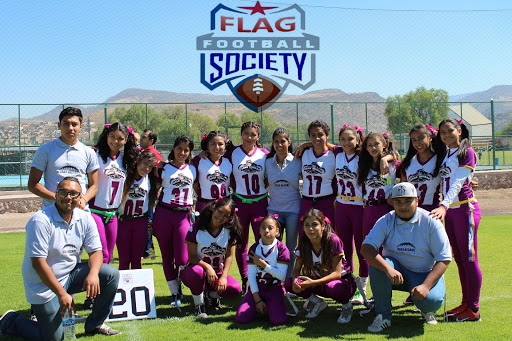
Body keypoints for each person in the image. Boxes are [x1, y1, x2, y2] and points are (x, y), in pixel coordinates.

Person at [0, 177, 120, 340]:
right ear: (56, 195)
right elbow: (38, 263)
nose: (68, 197)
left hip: (68, 275)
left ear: (80, 197)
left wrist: (93, 273)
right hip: (42, 285)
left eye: (73, 193)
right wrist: (62, 294)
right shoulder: (40, 220)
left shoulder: (84, 217)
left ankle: (95, 324)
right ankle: (11, 321)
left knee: (110, 274)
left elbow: (96, 251)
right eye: (63, 192)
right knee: (55, 338)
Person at [361, 182, 451, 332]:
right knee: (378, 267)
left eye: (408, 201)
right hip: (395, 272)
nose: (403, 206)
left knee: (431, 301)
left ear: (417, 200)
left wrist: (426, 286)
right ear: (392, 202)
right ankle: (383, 316)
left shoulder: (430, 221)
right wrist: (388, 269)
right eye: (398, 201)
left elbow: (444, 258)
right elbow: (366, 248)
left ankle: (427, 309)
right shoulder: (386, 220)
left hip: (423, 273)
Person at [430, 118, 482, 322]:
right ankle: (465, 303)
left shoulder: (466, 151)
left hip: (464, 209)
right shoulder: (446, 153)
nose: (446, 135)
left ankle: (474, 309)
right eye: (442, 132)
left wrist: (443, 204)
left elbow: (458, 182)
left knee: (469, 259)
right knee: (459, 260)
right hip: (451, 211)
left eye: (450, 131)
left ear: (459, 131)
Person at [284, 209, 356, 324]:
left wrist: (313, 283)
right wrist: (294, 281)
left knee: (333, 287)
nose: (310, 229)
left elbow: (337, 274)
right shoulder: (304, 243)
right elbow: (296, 269)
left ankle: (347, 307)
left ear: (323, 225)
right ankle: (318, 303)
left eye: (314, 224)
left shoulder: (333, 240)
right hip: (319, 282)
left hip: (342, 284)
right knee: (288, 283)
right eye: (306, 225)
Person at [223, 122, 269, 294]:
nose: (249, 137)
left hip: (260, 202)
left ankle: (261, 277)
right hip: (240, 202)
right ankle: (246, 280)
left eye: (253, 134)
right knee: (241, 244)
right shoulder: (232, 154)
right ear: (241, 134)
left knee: (262, 242)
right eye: (246, 134)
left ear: (258, 136)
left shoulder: (264, 154)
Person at [152, 135, 196, 306]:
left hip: (183, 215)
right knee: (167, 256)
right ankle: (174, 292)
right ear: (173, 149)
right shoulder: (163, 168)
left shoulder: (193, 169)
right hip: (164, 213)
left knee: (182, 258)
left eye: (186, 150)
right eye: (179, 148)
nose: (182, 152)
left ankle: (185, 287)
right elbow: (153, 190)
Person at [181, 197, 243, 318]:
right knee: (197, 272)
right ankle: (199, 305)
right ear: (213, 208)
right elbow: (192, 257)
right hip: (196, 273)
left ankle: (212, 295)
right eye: (219, 212)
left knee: (235, 289)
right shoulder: (197, 228)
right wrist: (207, 267)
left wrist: (224, 277)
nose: (221, 217)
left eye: (226, 215)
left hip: (217, 274)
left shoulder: (229, 231)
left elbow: (229, 256)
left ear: (230, 217)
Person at [28, 107, 99, 209]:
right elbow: (32, 184)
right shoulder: (45, 150)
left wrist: (83, 200)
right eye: (66, 123)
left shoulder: (89, 152)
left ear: (81, 127)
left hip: (79, 213)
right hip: (52, 212)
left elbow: (94, 186)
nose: (70, 128)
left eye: (74, 124)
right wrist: (57, 198)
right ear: (59, 125)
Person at [356, 132, 399, 299]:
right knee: (371, 250)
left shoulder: (393, 164)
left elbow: (392, 182)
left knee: (387, 251)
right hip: (369, 210)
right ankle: (374, 292)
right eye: (369, 145)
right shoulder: (364, 164)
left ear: (384, 144)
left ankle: (384, 291)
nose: (373, 148)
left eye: (376, 144)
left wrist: (386, 158)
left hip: (385, 209)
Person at [89, 123, 138, 264]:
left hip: (112, 215)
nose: (115, 141)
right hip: (95, 211)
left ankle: (101, 284)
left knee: (108, 257)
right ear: (106, 136)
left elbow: (149, 157)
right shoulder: (95, 155)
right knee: (103, 255)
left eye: (120, 138)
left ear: (125, 140)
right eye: (112, 137)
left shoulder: (126, 160)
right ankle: (96, 283)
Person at [236, 214, 290, 326]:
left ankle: (272, 304)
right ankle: (259, 305)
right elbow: (251, 276)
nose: (266, 231)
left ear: (277, 231)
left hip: (274, 286)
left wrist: (262, 264)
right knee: (241, 318)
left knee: (278, 321)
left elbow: (281, 276)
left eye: (270, 228)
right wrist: (257, 300)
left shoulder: (281, 249)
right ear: (259, 230)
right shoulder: (254, 248)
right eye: (263, 227)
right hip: (258, 286)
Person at [264, 128, 301, 278]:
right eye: (276, 142)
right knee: (272, 245)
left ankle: (290, 278)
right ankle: (275, 277)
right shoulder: (267, 162)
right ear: (272, 144)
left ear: (289, 142)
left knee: (291, 246)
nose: (279, 145)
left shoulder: (298, 161)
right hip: (274, 209)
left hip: (293, 209)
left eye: (283, 141)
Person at [117, 150, 158, 270]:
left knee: (136, 260)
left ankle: (136, 288)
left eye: (150, 167)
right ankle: (122, 287)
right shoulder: (125, 175)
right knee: (124, 260)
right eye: (145, 163)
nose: (146, 169)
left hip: (140, 221)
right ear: (138, 161)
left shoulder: (149, 179)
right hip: (123, 221)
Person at [297, 120, 337, 232]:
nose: (317, 138)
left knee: (328, 236)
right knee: (304, 236)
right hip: (307, 201)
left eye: (320, 135)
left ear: (327, 136)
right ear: (309, 137)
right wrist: (306, 145)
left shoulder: (334, 155)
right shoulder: (304, 152)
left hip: (327, 201)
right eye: (313, 135)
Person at [399, 124, 444, 211]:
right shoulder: (408, 163)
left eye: (421, 138)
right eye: (414, 140)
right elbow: (403, 190)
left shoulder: (439, 161)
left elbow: (451, 179)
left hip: (432, 212)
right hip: (411, 212)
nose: (417, 143)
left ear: (430, 137)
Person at [193, 131, 233, 214]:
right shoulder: (199, 161)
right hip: (204, 204)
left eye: (220, 144)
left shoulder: (229, 161)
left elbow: (231, 183)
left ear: (225, 145)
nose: (217, 147)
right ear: (207, 145)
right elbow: (195, 183)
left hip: (224, 206)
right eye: (213, 144)